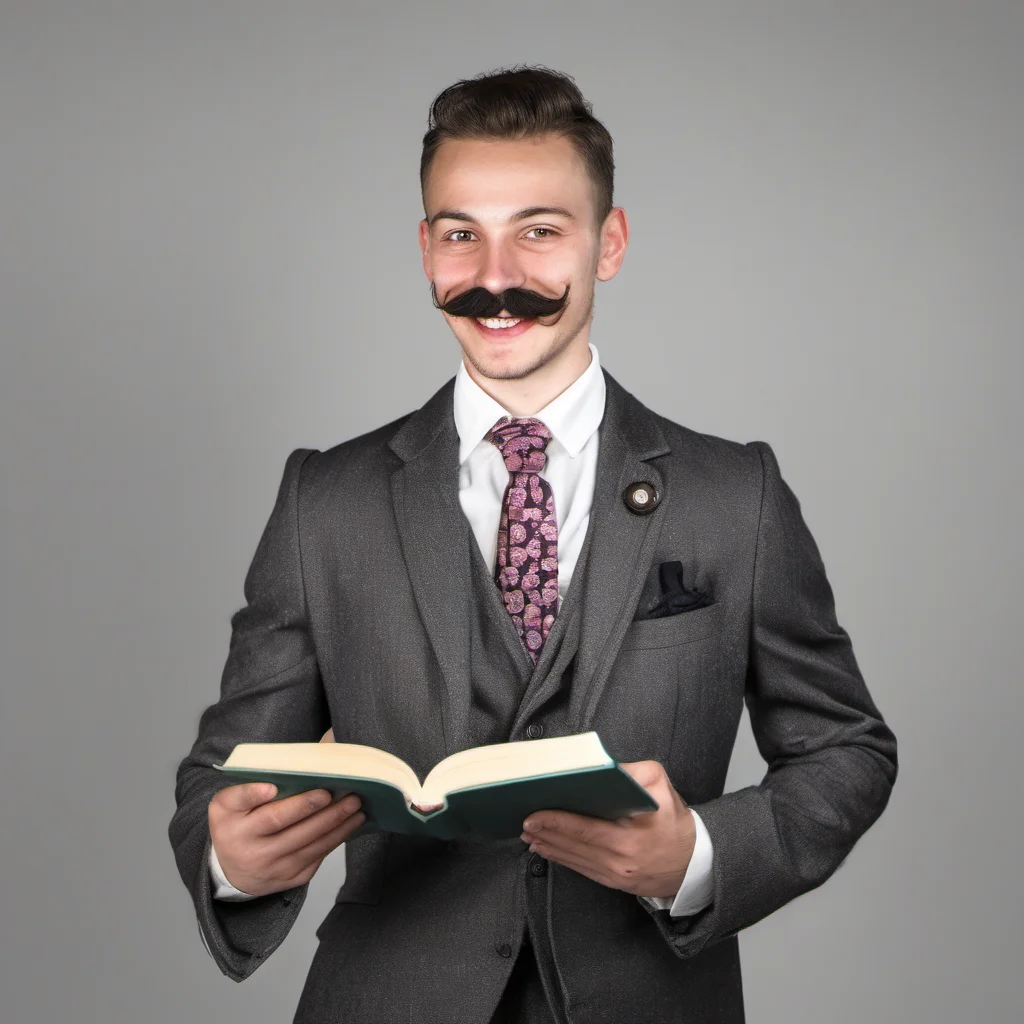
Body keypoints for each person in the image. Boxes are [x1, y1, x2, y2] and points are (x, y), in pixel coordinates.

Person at [168, 65, 898, 1024]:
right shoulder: (325, 501)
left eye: (539, 231)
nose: (496, 278)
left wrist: (701, 857)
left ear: (611, 244)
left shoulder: (736, 496)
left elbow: (847, 747)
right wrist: (230, 858)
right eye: (461, 234)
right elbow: (222, 775)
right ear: (425, 248)